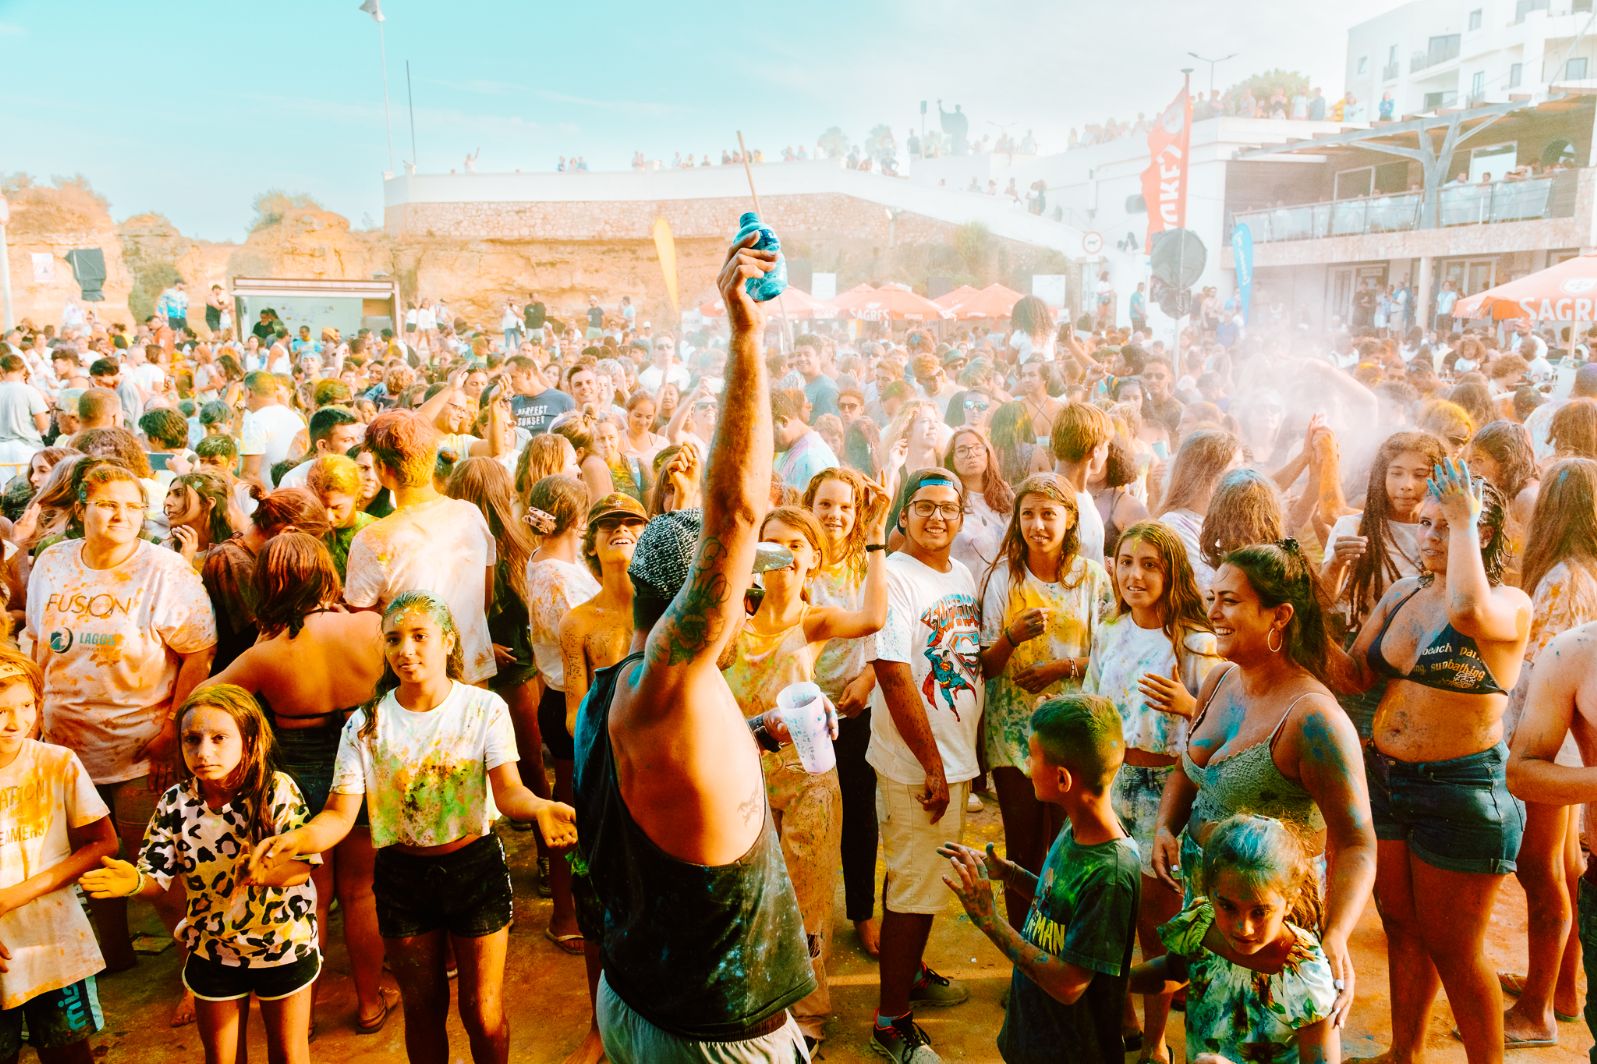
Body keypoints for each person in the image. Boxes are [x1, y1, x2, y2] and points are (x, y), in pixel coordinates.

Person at [569, 233, 819, 1062]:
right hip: (711, 1030)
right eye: (746, 588)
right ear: (718, 603)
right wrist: (746, 337)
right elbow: (737, 515)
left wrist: (748, 739)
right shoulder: (666, 683)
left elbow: (655, 811)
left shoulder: (615, 694)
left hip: (639, 995)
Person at [247, 593, 578, 1064]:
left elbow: (508, 792)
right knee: (422, 1010)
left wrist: (541, 807)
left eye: (420, 636)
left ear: (447, 641)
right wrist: (296, 838)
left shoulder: (482, 709)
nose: (407, 650)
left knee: (482, 1013)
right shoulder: (366, 724)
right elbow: (341, 815)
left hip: (474, 871)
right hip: (402, 879)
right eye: (395, 639)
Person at [1336, 461, 1529, 1063]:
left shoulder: (1508, 604)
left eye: (1448, 526)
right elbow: (1352, 674)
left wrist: (1465, 514)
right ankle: (1405, 1052)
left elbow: (1468, 612)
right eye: (1426, 524)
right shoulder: (1403, 592)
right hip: (1388, 781)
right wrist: (1318, 583)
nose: (1431, 536)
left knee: (1456, 948)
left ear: (1483, 534)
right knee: (1401, 927)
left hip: (1462, 791)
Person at [1154, 541, 1375, 1031]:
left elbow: (1358, 842)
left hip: (1271, 931)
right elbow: (1185, 769)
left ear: (1279, 616)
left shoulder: (1313, 720)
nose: (1213, 612)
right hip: (1212, 916)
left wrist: (1336, 935)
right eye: (1213, 598)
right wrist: (1166, 828)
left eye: (1229, 601)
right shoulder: (1217, 681)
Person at [26, 460, 217, 1009]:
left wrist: (170, 729)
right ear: (82, 509)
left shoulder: (164, 570)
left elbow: (198, 652)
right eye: (108, 504)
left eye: (133, 507)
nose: (121, 516)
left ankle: (198, 974)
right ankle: (113, 952)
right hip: (65, 743)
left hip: (139, 747)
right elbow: (39, 640)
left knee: (155, 871)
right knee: (89, 856)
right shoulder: (53, 562)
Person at [202, 534, 392, 1034]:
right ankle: (370, 1003)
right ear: (325, 573)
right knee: (362, 892)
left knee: (309, 894)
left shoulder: (266, 654)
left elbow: (202, 699)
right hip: (364, 771)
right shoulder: (370, 627)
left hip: (298, 779)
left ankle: (299, 1018)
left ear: (267, 583)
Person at [721, 501, 888, 1050]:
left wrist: (877, 544)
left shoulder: (813, 618)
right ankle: (757, 1006)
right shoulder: (732, 622)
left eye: (797, 545)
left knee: (809, 896)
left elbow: (872, 619)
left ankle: (810, 1014)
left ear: (814, 559)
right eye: (773, 543)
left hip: (810, 777)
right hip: (744, 775)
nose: (785, 555)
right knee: (750, 895)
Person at [82, 685, 320, 1064]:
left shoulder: (276, 790)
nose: (203, 752)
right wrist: (134, 882)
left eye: (219, 738)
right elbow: (155, 878)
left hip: (281, 946)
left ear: (251, 739)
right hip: (212, 949)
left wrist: (260, 872)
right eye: (192, 740)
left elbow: (301, 867)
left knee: (289, 1054)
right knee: (221, 1058)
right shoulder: (175, 801)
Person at [939, 694, 1139, 1064]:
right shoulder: (1076, 828)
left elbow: (1069, 985)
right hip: (1036, 1039)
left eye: (1032, 758)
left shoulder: (1110, 875)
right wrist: (1010, 874)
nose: (1027, 766)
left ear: (1062, 778)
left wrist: (991, 922)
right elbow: (1060, 900)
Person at [1087, 520, 1222, 1061]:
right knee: (1113, 911)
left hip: (1171, 788)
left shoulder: (1195, 639)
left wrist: (1189, 705)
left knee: (1160, 923)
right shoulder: (1109, 631)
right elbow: (1094, 707)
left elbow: (1223, 722)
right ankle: (1122, 1016)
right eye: (1124, 562)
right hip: (1113, 783)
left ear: (1171, 574)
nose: (1134, 575)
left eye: (1149, 565)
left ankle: (1158, 1041)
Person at [868, 467, 985, 1062]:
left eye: (948, 507)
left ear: (962, 516)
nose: (937, 517)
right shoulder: (894, 576)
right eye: (923, 506)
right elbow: (891, 670)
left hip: (952, 758)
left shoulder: (960, 573)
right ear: (903, 516)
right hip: (919, 765)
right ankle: (892, 1020)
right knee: (916, 887)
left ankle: (907, 972)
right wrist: (933, 764)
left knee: (917, 876)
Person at [977, 475, 1112, 925]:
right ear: (1016, 520)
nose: (1038, 525)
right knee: (1023, 847)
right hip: (1014, 734)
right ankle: (1024, 953)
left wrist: (1062, 669)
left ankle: (1063, 949)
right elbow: (988, 666)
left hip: (1074, 733)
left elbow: (1112, 657)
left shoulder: (1091, 579)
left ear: (1070, 519)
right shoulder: (1003, 579)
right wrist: (1013, 636)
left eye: (1049, 514)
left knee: (1069, 844)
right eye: (1028, 514)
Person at [1496, 459, 1597, 1045]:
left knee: (1543, 873)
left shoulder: (1561, 575)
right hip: (1571, 743)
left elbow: (1530, 671)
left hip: (1551, 745)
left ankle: (1537, 1009)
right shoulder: (1581, 571)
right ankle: (1559, 989)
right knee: (1565, 870)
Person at [555, 491, 649, 1064]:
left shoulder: (662, 610)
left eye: (633, 525)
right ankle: (599, 1024)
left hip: (656, 775)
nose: (620, 531)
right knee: (595, 903)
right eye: (608, 525)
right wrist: (615, 734)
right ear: (590, 544)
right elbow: (571, 713)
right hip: (600, 778)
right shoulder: (578, 621)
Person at [1131, 814, 1338, 1064]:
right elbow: (1175, 971)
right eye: (1227, 906)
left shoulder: (1304, 974)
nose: (1244, 928)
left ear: (1289, 901)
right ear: (1209, 892)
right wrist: (1119, 981)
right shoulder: (1201, 926)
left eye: (1260, 912)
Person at [0, 644, 118, 1064]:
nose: (15, 721)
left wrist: (16, 895)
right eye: (1, 709)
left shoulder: (56, 763)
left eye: (26, 705)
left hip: (54, 941)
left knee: (69, 1052)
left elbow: (103, 843)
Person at [344, 411, 499, 686]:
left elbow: (362, 628)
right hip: (474, 676)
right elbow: (484, 601)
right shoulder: (470, 514)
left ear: (382, 469)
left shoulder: (372, 539)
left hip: (413, 686)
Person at [803, 468, 889, 957]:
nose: (835, 515)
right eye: (825, 505)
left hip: (856, 707)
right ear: (808, 507)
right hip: (802, 712)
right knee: (807, 817)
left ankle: (861, 913)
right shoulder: (799, 560)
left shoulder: (867, 563)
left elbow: (886, 627)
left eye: (845, 507)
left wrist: (869, 677)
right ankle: (806, 914)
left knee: (859, 815)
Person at [525, 474, 598, 954]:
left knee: (575, 804)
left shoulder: (541, 561)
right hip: (575, 700)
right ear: (579, 521)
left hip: (561, 697)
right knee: (571, 812)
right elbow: (587, 644)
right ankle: (566, 913)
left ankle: (572, 907)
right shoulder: (560, 576)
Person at [944, 428, 1013, 583]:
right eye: (962, 450)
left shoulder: (1005, 493)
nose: (971, 454)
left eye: (977, 447)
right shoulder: (946, 498)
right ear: (951, 459)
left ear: (987, 453)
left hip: (1007, 592)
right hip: (967, 593)